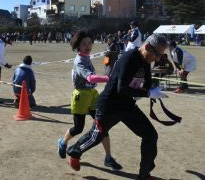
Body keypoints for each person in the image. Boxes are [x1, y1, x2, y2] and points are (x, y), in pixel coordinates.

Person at [66, 34, 168, 180]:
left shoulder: (146, 59)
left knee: (151, 135)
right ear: (146, 47)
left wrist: (153, 89)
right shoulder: (129, 58)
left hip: (127, 106)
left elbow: (147, 81)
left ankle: (144, 174)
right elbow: (122, 89)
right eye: (157, 54)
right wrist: (147, 94)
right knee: (95, 137)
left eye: (160, 55)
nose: (157, 59)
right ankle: (74, 152)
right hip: (109, 106)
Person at [57, 30, 122, 171]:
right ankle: (63, 142)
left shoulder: (86, 57)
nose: (88, 46)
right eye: (84, 43)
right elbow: (90, 78)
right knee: (78, 128)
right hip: (80, 96)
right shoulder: (80, 60)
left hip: (92, 95)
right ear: (77, 46)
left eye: (89, 43)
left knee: (102, 125)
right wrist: (109, 78)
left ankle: (108, 158)